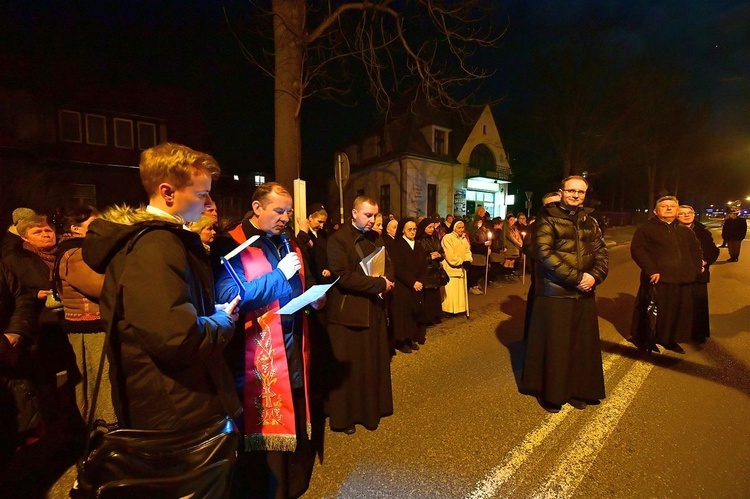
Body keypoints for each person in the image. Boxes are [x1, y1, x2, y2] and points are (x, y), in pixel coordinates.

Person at [81, 143, 242, 436]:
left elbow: (166, 314)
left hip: (175, 398)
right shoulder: (156, 245)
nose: (208, 203)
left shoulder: (164, 239)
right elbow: (175, 338)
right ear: (168, 192)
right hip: (174, 405)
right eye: (201, 193)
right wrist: (223, 322)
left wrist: (208, 312)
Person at [212, 182, 316, 499]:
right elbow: (232, 297)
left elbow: (299, 283)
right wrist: (279, 276)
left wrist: (312, 297)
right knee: (262, 441)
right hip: (256, 354)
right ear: (258, 208)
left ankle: (291, 485)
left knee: (293, 421)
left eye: (289, 212)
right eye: (278, 211)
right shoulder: (230, 244)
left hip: (292, 345)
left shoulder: (287, 241)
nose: (285, 218)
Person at [521, 176, 608, 413]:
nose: (576, 195)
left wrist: (595, 276)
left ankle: (578, 390)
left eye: (581, 192)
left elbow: (601, 251)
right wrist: (577, 278)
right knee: (557, 348)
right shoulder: (546, 219)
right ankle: (552, 394)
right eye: (571, 191)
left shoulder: (589, 221)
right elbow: (545, 254)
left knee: (581, 347)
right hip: (555, 293)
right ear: (562, 192)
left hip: (584, 293)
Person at [325, 195, 395, 435]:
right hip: (348, 316)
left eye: (375, 215)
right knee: (352, 371)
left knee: (371, 364)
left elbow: (389, 265)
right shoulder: (338, 240)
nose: (372, 220)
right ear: (354, 213)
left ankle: (371, 411)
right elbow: (342, 276)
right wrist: (378, 284)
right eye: (368, 215)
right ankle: (347, 418)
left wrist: (388, 281)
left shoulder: (376, 238)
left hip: (373, 311)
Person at [52, 206, 116, 426]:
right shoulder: (75, 253)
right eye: (94, 224)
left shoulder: (78, 250)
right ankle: (103, 427)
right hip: (90, 329)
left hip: (91, 326)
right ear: (76, 229)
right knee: (97, 379)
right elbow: (100, 287)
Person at [629, 196, 703, 354]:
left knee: (676, 313)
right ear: (656, 211)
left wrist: (695, 270)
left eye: (672, 206)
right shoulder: (646, 229)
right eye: (664, 206)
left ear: (677, 210)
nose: (668, 208)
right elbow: (638, 251)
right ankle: (645, 339)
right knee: (650, 312)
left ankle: (669, 339)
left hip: (682, 281)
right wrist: (651, 270)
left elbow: (696, 251)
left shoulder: (685, 231)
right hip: (658, 279)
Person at [677, 205, 719, 343]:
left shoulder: (703, 232)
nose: (687, 215)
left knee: (698, 304)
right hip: (678, 275)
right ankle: (678, 333)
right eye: (682, 213)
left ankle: (698, 333)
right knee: (679, 304)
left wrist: (705, 262)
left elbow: (713, 251)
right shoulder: (672, 231)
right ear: (677, 216)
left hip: (699, 275)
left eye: (689, 213)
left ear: (694, 214)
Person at [522, 192, 561, 342]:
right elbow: (528, 247)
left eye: (557, 204)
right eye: (551, 205)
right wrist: (550, 256)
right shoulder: (535, 226)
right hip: (542, 279)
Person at [391, 218, 427, 353]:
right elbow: (398, 267)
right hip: (404, 286)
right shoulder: (398, 245)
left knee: (414, 313)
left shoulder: (418, 244)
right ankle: (401, 341)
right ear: (403, 231)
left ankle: (411, 338)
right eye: (409, 229)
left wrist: (421, 281)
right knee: (403, 315)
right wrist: (412, 282)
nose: (412, 232)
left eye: (414, 229)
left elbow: (424, 265)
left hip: (417, 286)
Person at [415, 218, 445, 326]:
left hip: (435, 271)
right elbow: (418, 257)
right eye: (429, 227)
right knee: (427, 296)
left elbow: (442, 253)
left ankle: (436, 316)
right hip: (426, 271)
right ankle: (427, 318)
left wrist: (440, 255)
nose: (432, 229)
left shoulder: (435, 239)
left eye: (433, 227)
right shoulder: (418, 240)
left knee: (435, 295)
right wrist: (430, 257)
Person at [441, 219, 472, 316]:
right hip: (451, 269)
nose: (461, 229)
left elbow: (468, 251)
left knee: (459, 291)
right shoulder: (447, 238)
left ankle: (459, 309)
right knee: (451, 292)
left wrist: (468, 260)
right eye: (459, 227)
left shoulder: (463, 238)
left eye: (463, 227)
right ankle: (448, 310)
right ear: (454, 228)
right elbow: (449, 254)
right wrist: (461, 262)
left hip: (461, 269)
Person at [296, 203, 331, 284]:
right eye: (319, 221)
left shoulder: (324, 234)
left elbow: (329, 253)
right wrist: (304, 235)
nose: (321, 226)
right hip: (311, 280)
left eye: (323, 223)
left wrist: (328, 268)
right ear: (310, 217)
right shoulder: (303, 236)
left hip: (324, 278)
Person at [502, 214, 523, 280]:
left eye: (513, 220)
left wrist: (521, 242)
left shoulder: (514, 228)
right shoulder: (506, 228)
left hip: (515, 248)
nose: (512, 221)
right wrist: (519, 244)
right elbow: (511, 238)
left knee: (512, 261)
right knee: (507, 261)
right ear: (507, 220)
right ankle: (505, 275)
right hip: (510, 247)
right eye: (511, 220)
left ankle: (510, 274)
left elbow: (518, 236)